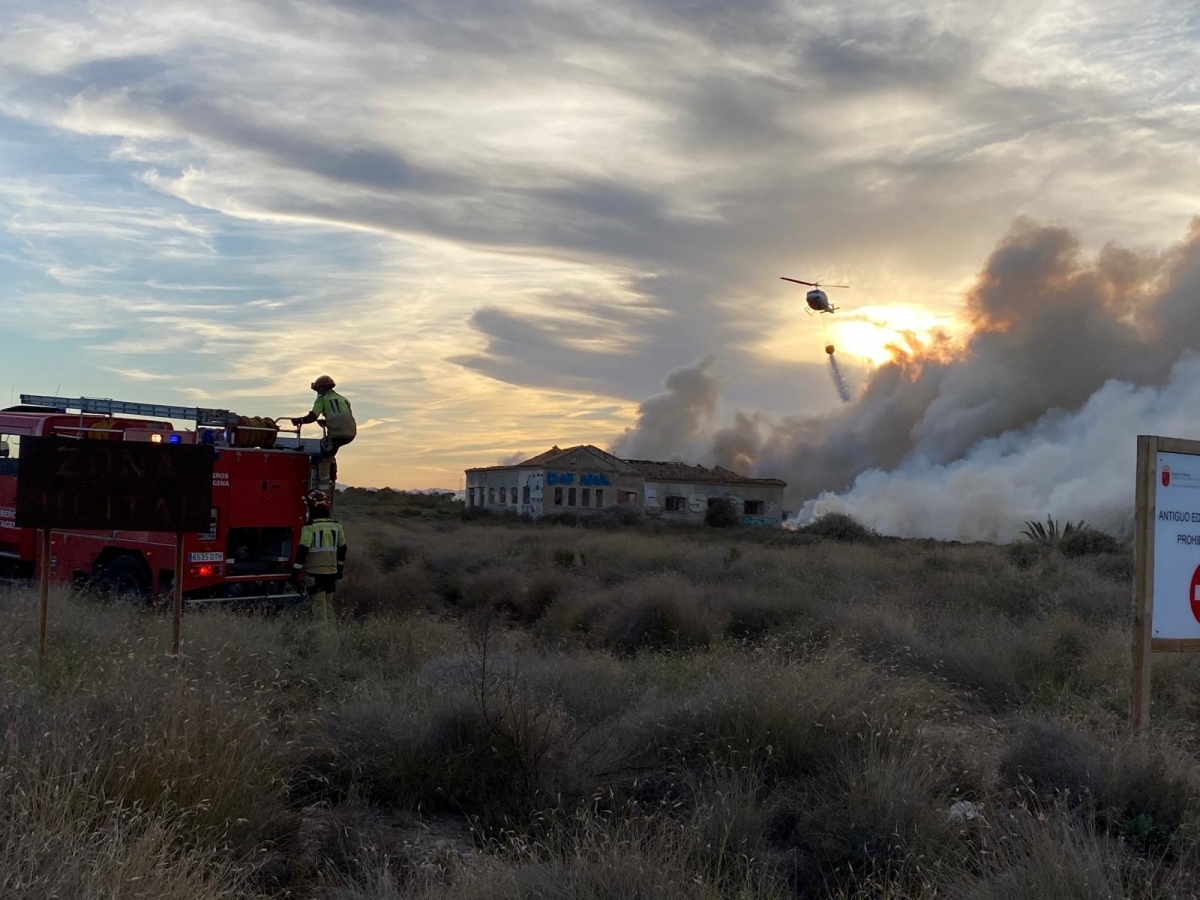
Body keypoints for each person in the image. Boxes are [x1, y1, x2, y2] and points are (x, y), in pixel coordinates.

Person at [291, 375, 356, 490]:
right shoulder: (343, 399)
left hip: (336, 434)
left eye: (317, 390)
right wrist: (327, 422)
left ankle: (322, 488)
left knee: (324, 455)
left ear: (321, 389)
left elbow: (312, 417)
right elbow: (342, 417)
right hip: (350, 433)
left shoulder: (322, 399)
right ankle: (330, 466)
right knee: (330, 450)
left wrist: (299, 420)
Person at [290, 490, 347, 623]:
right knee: (328, 606)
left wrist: (294, 573)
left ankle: (322, 639)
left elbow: (302, 550)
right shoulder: (336, 525)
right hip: (331, 572)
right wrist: (339, 569)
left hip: (315, 574)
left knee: (319, 609)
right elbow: (342, 548)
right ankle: (333, 637)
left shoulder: (310, 527)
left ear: (311, 506)